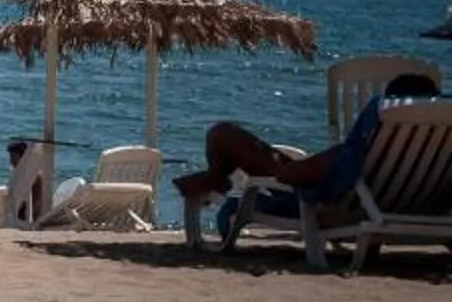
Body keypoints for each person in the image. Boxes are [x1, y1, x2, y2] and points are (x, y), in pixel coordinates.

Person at [172, 71, 431, 206]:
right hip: (405, 203)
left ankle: (215, 178)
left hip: (330, 202)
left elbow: (290, 176)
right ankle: (216, 177)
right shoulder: (435, 156)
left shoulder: (366, 149)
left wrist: (297, 166)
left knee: (223, 134)